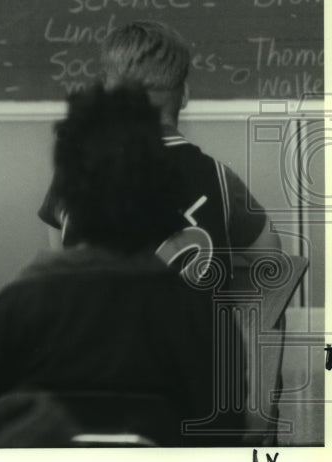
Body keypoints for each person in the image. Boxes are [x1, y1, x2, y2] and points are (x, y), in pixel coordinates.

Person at [0, 85, 247, 446]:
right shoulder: (203, 315)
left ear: (67, 193)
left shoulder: (15, 309)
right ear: (164, 187)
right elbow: (225, 442)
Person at [39, 21, 278, 276]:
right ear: (184, 95)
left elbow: (60, 264)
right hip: (188, 316)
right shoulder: (220, 179)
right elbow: (272, 257)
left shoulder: (71, 174)